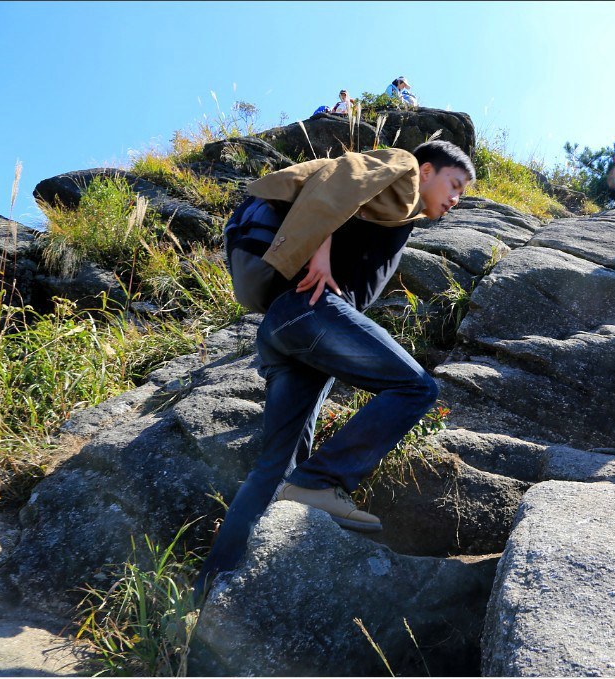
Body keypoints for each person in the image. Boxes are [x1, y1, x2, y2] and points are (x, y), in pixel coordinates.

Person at [194, 140, 476, 594]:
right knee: (416, 389)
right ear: (427, 170)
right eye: (454, 184)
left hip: (285, 328)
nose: (456, 199)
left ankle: (210, 592)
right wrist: (317, 253)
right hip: (309, 310)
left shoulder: (397, 212)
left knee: (274, 470)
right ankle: (322, 480)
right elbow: (337, 179)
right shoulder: (402, 168)